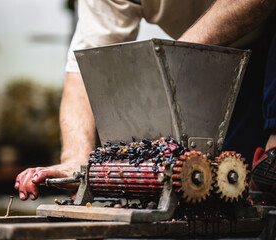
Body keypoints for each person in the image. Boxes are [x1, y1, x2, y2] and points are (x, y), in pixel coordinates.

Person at [15, 0, 276, 201]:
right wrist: (76, 161)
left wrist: (174, 57)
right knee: (221, 193)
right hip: (208, 69)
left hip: (263, 46)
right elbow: (87, 66)